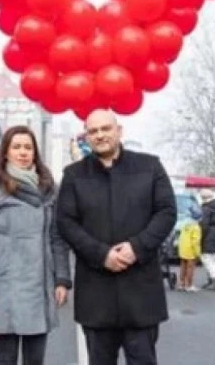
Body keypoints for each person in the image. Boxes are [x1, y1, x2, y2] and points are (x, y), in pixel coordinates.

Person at [57, 109, 176, 365]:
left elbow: (166, 212)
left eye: (105, 129)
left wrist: (137, 248)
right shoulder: (73, 175)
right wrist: (102, 255)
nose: (100, 135)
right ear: (87, 137)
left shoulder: (150, 166)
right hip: (96, 293)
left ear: (119, 131)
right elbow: (66, 223)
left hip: (141, 293)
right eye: (93, 131)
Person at [0, 125, 71, 365]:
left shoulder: (49, 190)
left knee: (35, 359)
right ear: (6, 152)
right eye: (16, 147)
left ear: (35, 152)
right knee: (6, 358)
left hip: (40, 286)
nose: (23, 152)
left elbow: (57, 238)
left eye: (28, 147)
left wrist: (61, 279)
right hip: (5, 286)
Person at [199, 189, 215, 290]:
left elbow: (204, 224)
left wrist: (201, 235)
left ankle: (214, 278)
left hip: (208, 233)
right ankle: (212, 278)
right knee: (212, 257)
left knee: (205, 257)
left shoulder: (206, 208)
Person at [177, 206, 202, 292]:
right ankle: (189, 285)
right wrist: (198, 253)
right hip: (191, 251)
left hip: (183, 249)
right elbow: (195, 242)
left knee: (183, 267)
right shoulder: (196, 227)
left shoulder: (185, 225)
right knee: (190, 268)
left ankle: (181, 284)